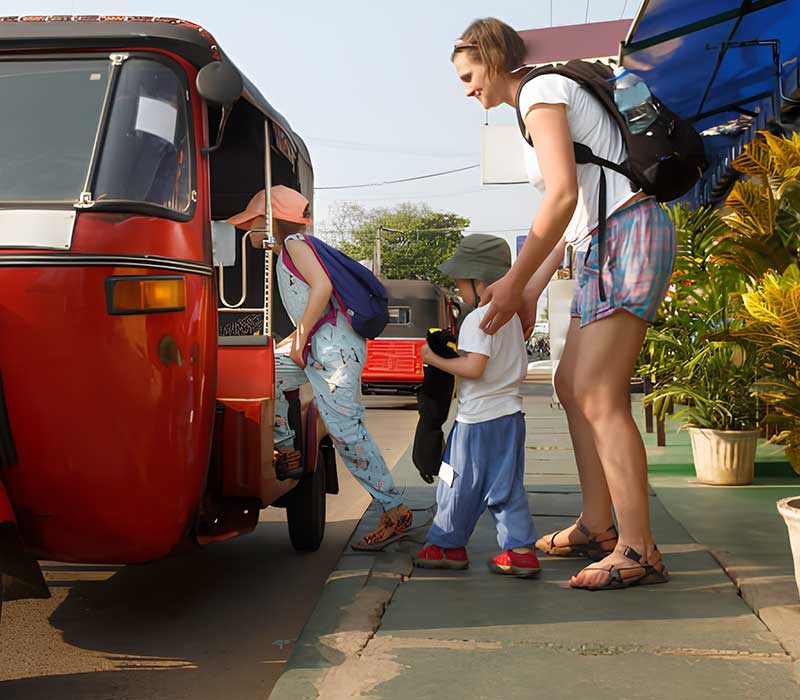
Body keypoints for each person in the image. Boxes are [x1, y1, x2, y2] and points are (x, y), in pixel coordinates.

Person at [450, 19, 674, 590]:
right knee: (571, 387)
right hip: (600, 241)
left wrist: (515, 279)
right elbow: (574, 217)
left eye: (470, 75)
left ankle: (638, 548)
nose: (467, 90)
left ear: (496, 59)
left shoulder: (539, 91)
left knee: (600, 394)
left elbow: (563, 195)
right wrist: (526, 289)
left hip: (626, 235)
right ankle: (598, 525)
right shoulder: (537, 99)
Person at [227, 186, 416, 551]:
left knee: (347, 434)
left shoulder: (296, 243)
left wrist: (297, 338)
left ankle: (395, 511)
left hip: (332, 353)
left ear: (269, 221)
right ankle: (286, 449)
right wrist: (293, 342)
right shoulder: (290, 252)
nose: (246, 230)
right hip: (323, 348)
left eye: (251, 222)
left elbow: (322, 287)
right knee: (268, 373)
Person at [414, 234, 540, 577]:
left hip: (476, 422)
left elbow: (474, 368)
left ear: (479, 281)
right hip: (510, 417)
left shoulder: (478, 318)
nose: (458, 291)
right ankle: (521, 551)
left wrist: (432, 359)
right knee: (507, 487)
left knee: (454, 480)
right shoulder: (511, 317)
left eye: (460, 283)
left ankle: (446, 545)